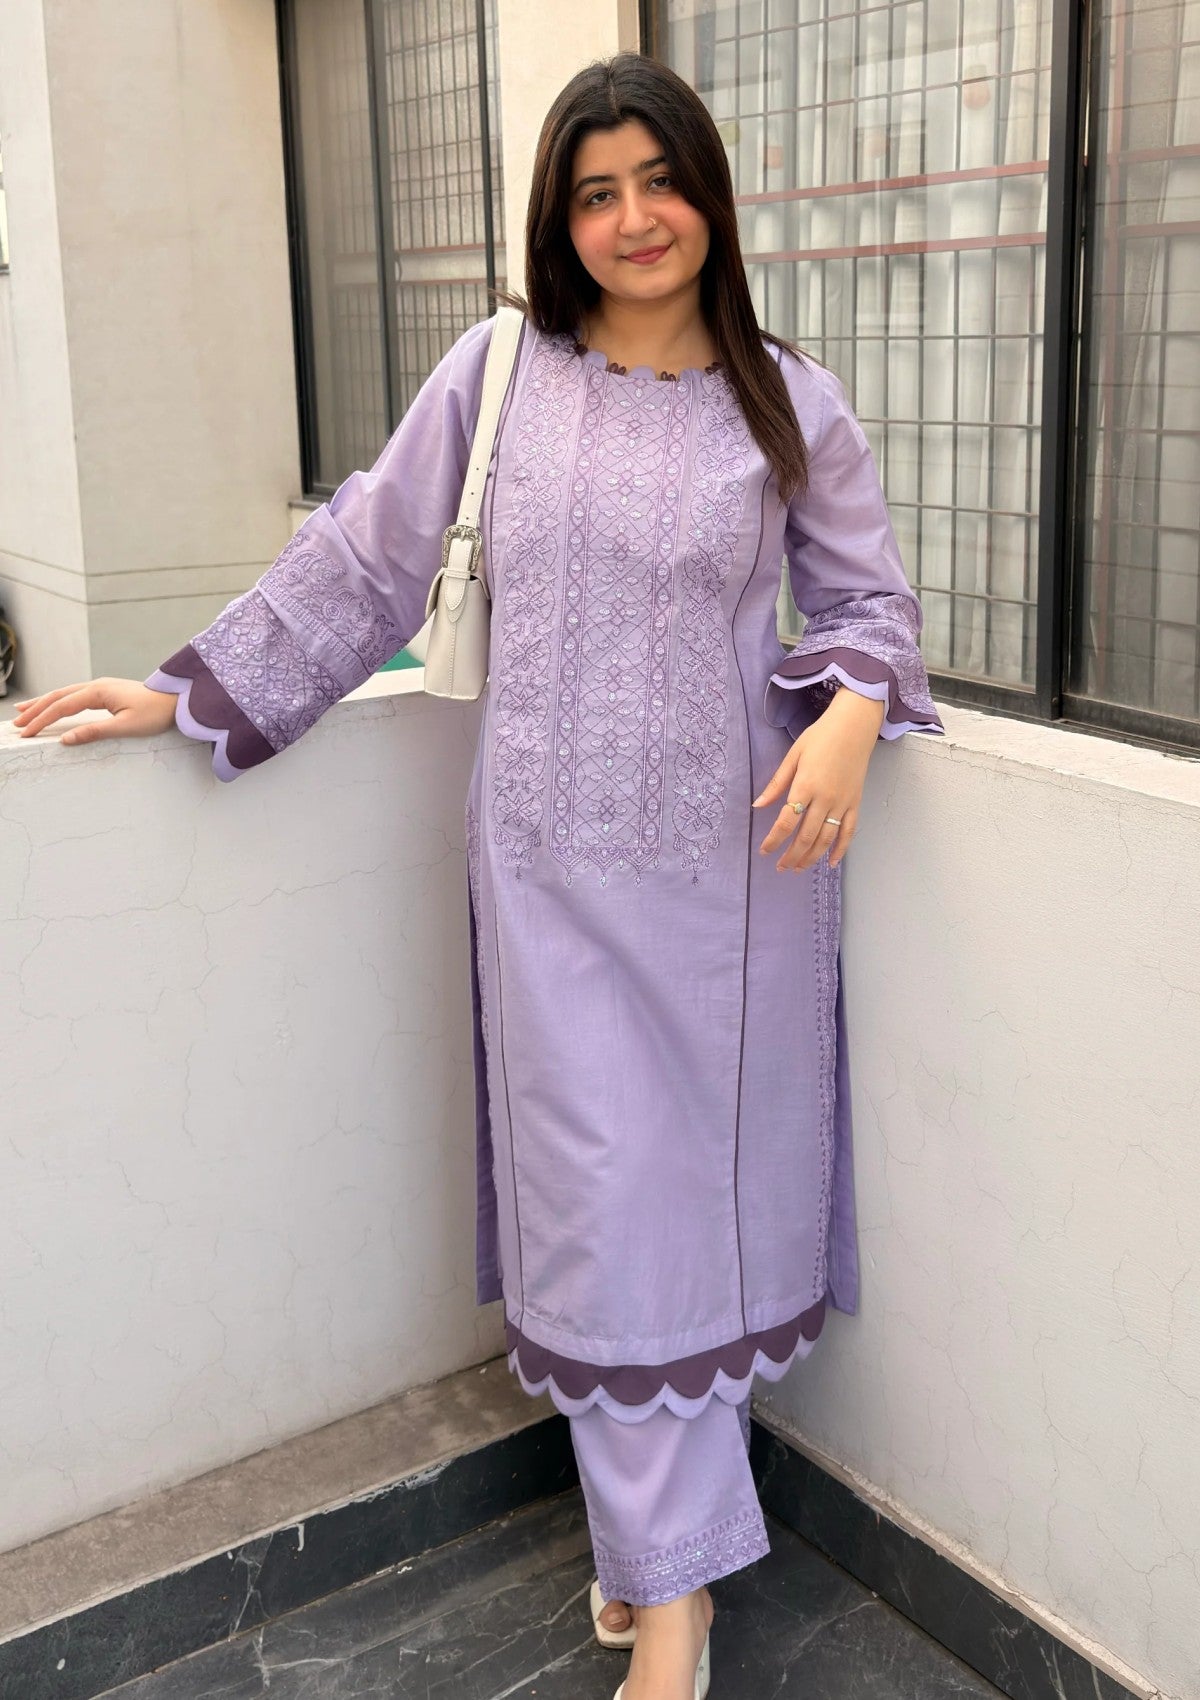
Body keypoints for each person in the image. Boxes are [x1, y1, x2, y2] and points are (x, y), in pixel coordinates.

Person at [15, 52, 943, 1700]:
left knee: (702, 1221)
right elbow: (367, 556)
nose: (634, 219)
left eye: (661, 181)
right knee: (605, 1220)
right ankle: (674, 1592)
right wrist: (185, 692)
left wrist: (857, 711)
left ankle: (659, 1576)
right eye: (596, 192)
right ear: (557, 219)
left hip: (736, 892)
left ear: (711, 196)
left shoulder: (791, 402)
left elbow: (868, 602)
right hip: (548, 882)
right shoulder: (502, 374)